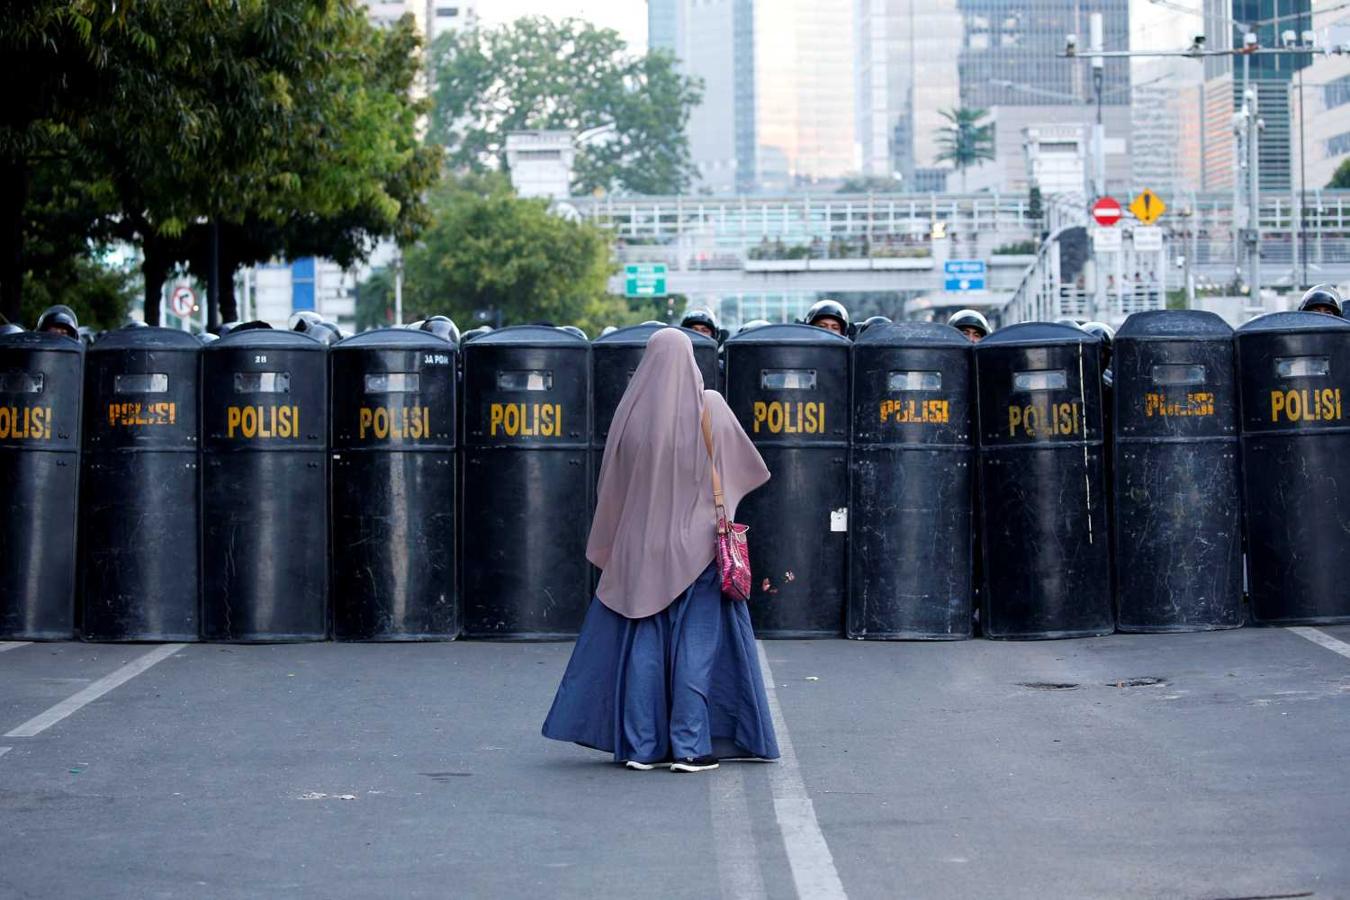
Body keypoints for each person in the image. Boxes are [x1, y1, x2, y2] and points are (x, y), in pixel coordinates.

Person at [543, 328, 778, 773]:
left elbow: (608, 486)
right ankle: (689, 746)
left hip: (639, 553)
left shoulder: (630, 415)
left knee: (644, 646)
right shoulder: (710, 407)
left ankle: (642, 746)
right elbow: (752, 469)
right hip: (699, 553)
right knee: (697, 646)